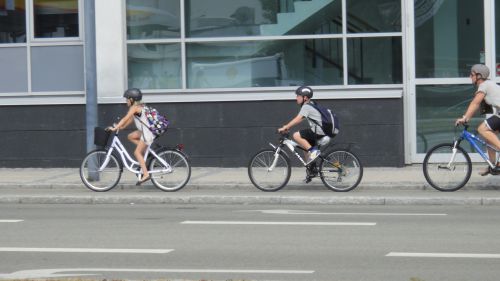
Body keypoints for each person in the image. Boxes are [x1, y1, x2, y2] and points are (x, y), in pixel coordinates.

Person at [455, 64, 500, 175]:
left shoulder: (484, 85)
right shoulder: (488, 85)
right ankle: (493, 166)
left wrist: (464, 118)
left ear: (479, 76)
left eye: (472, 74)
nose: (470, 77)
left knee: (482, 129)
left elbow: (475, 103)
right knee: (489, 138)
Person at [108, 88, 155, 185]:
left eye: (127, 99)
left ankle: (145, 174)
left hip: (147, 133)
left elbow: (125, 118)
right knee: (130, 136)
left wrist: (115, 127)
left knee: (137, 152)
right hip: (145, 131)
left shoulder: (134, 107)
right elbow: (129, 119)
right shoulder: (139, 106)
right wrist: (121, 127)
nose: (126, 101)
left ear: (132, 100)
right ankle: (147, 152)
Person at [278, 86, 326, 164]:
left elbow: (298, 119)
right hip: (321, 130)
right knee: (305, 146)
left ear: (305, 98)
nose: (296, 98)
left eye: (298, 96)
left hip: (319, 130)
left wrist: (286, 127)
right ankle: (311, 168)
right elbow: (301, 118)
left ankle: (314, 152)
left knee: (296, 135)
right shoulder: (311, 104)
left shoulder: (306, 106)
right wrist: (289, 126)